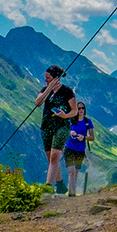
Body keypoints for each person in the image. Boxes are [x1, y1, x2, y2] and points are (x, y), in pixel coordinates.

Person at [34, 65, 77, 194]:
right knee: (50, 158)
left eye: (48, 77)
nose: (45, 79)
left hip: (62, 126)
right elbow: (37, 103)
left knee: (54, 157)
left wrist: (66, 115)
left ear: (56, 78)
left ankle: (48, 187)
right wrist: (49, 89)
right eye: (45, 77)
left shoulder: (67, 91)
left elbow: (74, 110)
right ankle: (60, 184)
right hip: (47, 126)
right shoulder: (44, 89)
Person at [64, 106, 95, 196]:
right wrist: (70, 132)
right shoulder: (71, 120)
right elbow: (65, 130)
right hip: (69, 148)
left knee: (76, 171)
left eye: (82, 108)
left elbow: (92, 138)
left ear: (84, 110)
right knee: (71, 170)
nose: (81, 110)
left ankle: (72, 192)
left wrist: (84, 137)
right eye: (78, 108)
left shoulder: (87, 122)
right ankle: (71, 193)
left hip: (80, 150)